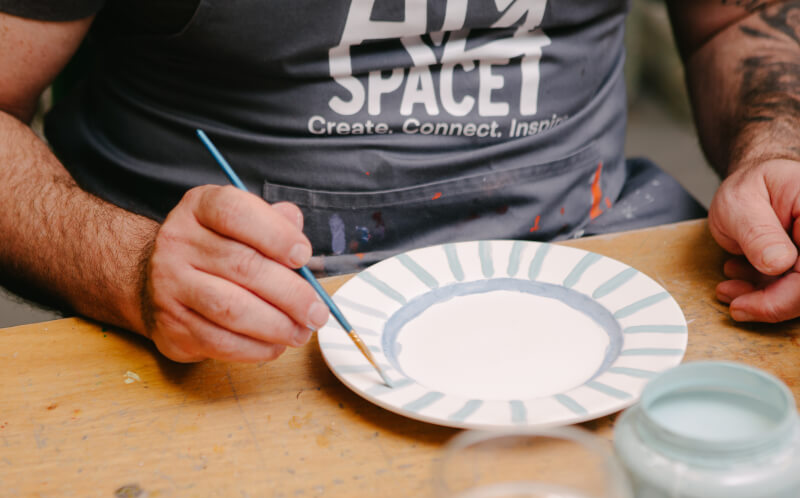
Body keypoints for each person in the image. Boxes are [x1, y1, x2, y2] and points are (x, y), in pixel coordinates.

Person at [0, 1, 792, 366]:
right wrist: (126, 266)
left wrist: (775, 150)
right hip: (234, 322)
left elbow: (739, 19)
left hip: (597, 274)